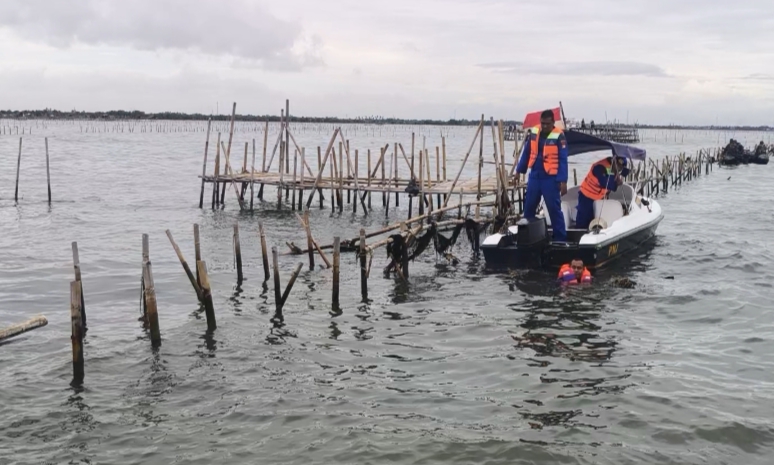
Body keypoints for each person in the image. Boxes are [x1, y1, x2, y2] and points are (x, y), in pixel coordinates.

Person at [515, 109, 569, 243]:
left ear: (553, 122)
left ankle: (560, 239)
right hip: (534, 176)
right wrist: (518, 171)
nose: (544, 126)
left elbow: (563, 159)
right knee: (529, 209)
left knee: (554, 210)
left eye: (547, 124)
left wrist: (563, 181)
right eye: (542, 123)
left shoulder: (559, 136)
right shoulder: (534, 132)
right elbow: (526, 152)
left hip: (550, 178)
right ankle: (528, 238)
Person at [575, 155, 631, 230]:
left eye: (620, 167)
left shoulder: (616, 167)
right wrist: (617, 182)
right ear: (614, 162)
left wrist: (625, 171)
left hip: (599, 198)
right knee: (584, 220)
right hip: (586, 195)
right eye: (618, 166)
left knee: (599, 218)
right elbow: (605, 182)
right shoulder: (599, 167)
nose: (618, 169)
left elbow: (623, 171)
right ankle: (580, 235)